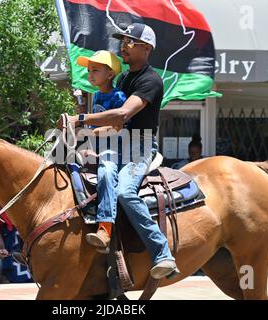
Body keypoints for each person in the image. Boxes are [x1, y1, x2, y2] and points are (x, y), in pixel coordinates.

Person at [59, 23, 178, 279]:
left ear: (147, 48)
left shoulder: (151, 80)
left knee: (125, 191)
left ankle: (163, 253)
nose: (123, 45)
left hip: (140, 146)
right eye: (122, 41)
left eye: (130, 41)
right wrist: (87, 133)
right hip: (116, 143)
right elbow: (113, 123)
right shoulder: (122, 78)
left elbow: (124, 114)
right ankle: (104, 234)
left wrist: (80, 120)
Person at [76, 50, 127, 245]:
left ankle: (105, 227)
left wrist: (90, 133)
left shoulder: (119, 96)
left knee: (106, 172)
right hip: (100, 147)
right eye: (89, 70)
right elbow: (95, 126)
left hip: (118, 148)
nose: (90, 74)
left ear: (110, 74)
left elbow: (116, 126)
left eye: (95, 70)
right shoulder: (96, 96)